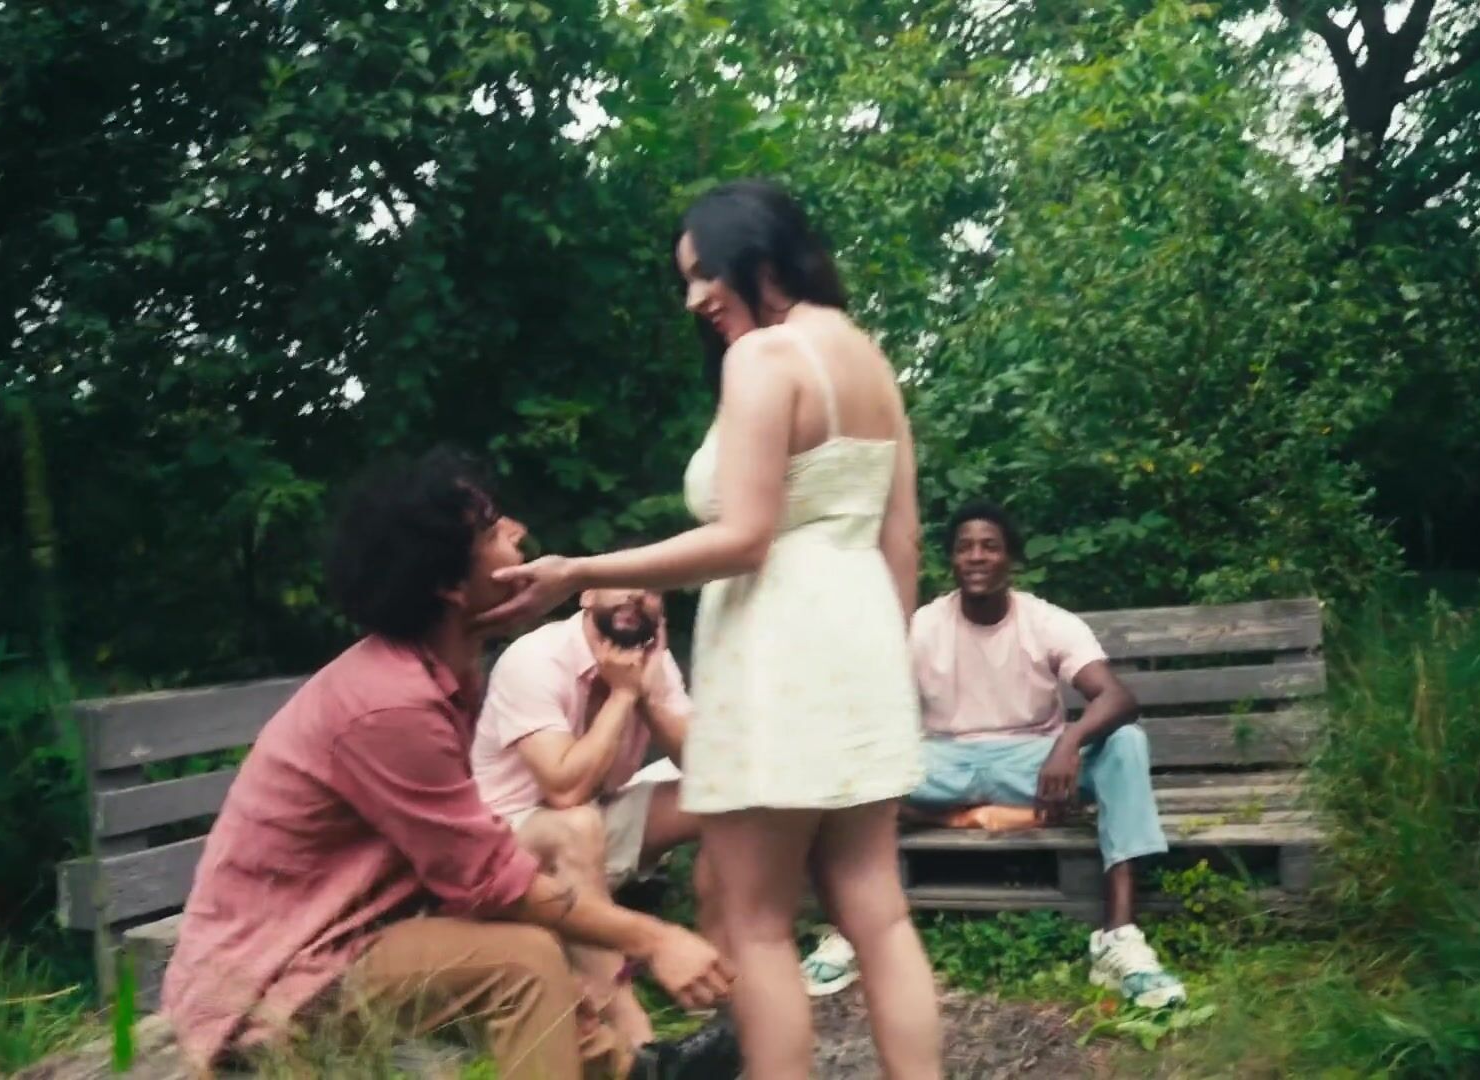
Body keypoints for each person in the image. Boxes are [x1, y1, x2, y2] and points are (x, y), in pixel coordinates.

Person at [479, 180, 943, 1080]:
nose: (694, 298)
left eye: (704, 275)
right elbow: (904, 538)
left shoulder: (766, 356)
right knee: (879, 914)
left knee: (756, 922)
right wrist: (884, 670)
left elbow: (744, 538)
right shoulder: (869, 359)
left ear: (757, 256)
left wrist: (581, 571)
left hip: (779, 654)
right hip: (861, 648)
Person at [159, 447, 739, 1080]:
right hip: (273, 976)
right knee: (521, 963)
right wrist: (657, 939)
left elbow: (472, 868)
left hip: (350, 932)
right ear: (449, 585)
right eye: (492, 531)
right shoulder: (390, 703)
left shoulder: (434, 673)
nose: (518, 530)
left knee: (520, 949)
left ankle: (632, 1071)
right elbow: (493, 881)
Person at [801, 501, 1186, 1008]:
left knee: (1126, 742)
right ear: (952, 561)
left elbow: (1117, 698)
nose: (977, 556)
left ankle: (1119, 939)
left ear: (1011, 559)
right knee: (850, 760)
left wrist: (1067, 743)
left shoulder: (1045, 621)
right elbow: (874, 709)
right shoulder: (924, 626)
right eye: (965, 547)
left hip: (1031, 764)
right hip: (945, 761)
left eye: (990, 546)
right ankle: (851, 929)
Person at [470, 585, 707, 1047]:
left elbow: (708, 769)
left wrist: (648, 695)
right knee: (576, 823)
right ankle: (633, 1033)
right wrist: (622, 695)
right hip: (508, 844)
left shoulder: (651, 660)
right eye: (622, 582)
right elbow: (565, 790)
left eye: (649, 589)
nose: (635, 596)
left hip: (594, 824)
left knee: (717, 800)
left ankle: (725, 969)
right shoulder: (536, 659)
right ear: (588, 594)